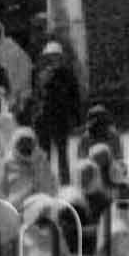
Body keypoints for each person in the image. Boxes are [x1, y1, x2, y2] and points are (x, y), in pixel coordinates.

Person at [29, 41, 83, 185]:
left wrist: (77, 119)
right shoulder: (40, 74)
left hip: (60, 118)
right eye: (50, 57)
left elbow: (74, 97)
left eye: (56, 56)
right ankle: (46, 182)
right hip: (44, 120)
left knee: (62, 153)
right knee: (45, 154)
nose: (53, 60)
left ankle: (65, 182)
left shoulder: (67, 75)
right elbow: (36, 96)